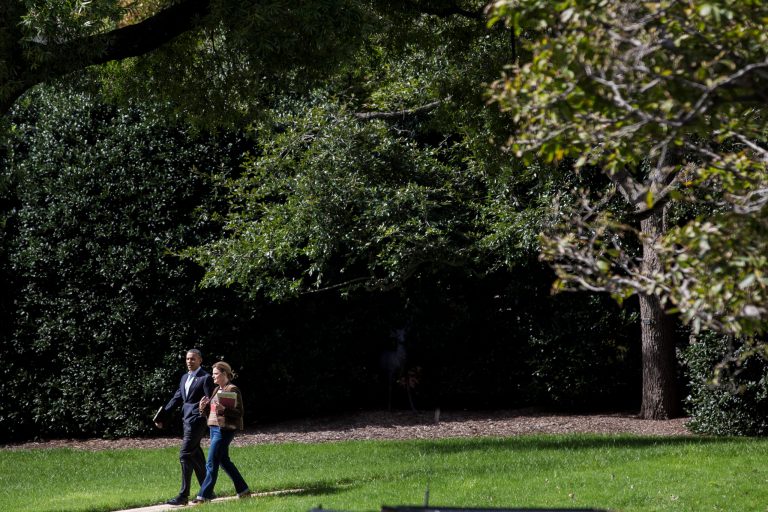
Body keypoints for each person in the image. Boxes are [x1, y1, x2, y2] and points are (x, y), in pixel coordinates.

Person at [155, 349, 215, 506]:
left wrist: (209, 418)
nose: (189, 361)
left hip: (198, 421)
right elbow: (176, 398)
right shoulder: (184, 378)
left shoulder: (206, 378)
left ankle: (183, 496)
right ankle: (207, 491)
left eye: (193, 359)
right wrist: (162, 417)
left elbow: (211, 401)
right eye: (188, 359)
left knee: (184, 454)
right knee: (195, 455)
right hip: (187, 420)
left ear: (200, 360)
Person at [191, 361, 250, 503]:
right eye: (213, 374)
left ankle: (204, 496)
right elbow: (211, 412)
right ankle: (243, 490)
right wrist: (202, 407)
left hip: (224, 430)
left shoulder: (232, 389)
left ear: (224, 373)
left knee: (211, 462)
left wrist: (224, 409)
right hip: (213, 429)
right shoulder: (216, 390)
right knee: (223, 461)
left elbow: (239, 412)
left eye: (216, 374)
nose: (213, 377)